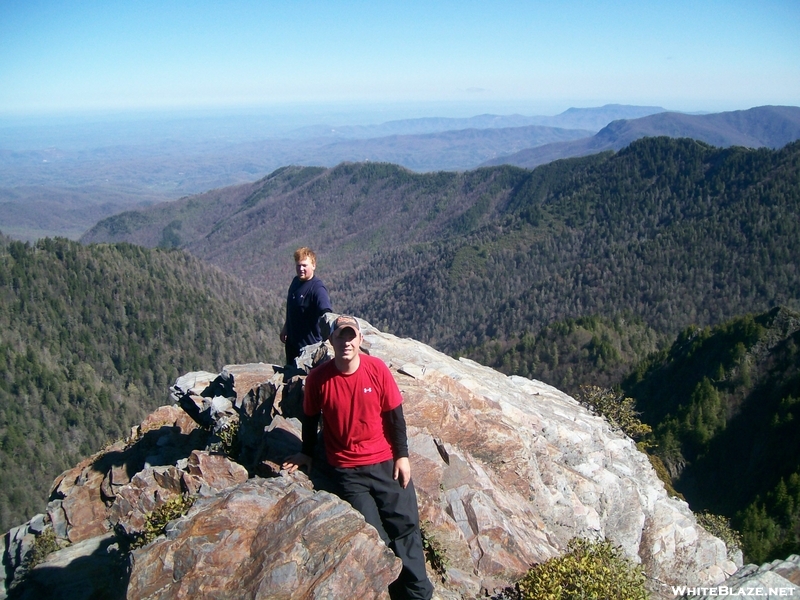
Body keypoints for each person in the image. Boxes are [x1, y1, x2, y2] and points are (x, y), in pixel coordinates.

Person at [282, 315, 434, 600]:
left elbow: (394, 416)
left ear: (360, 340)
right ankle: (391, 588)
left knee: (405, 525)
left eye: (351, 336)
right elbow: (310, 418)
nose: (346, 342)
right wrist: (306, 451)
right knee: (372, 534)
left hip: (385, 462)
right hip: (348, 471)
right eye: (341, 336)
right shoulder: (319, 379)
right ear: (332, 341)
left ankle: (417, 593)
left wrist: (402, 456)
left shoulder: (376, 369)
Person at [280, 247, 332, 364]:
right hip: (292, 345)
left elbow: (326, 311)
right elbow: (292, 309)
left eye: (304, 265)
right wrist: (286, 327)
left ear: (313, 265)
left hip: (309, 349)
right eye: (298, 265)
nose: (301, 269)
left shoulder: (317, 288)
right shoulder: (295, 282)